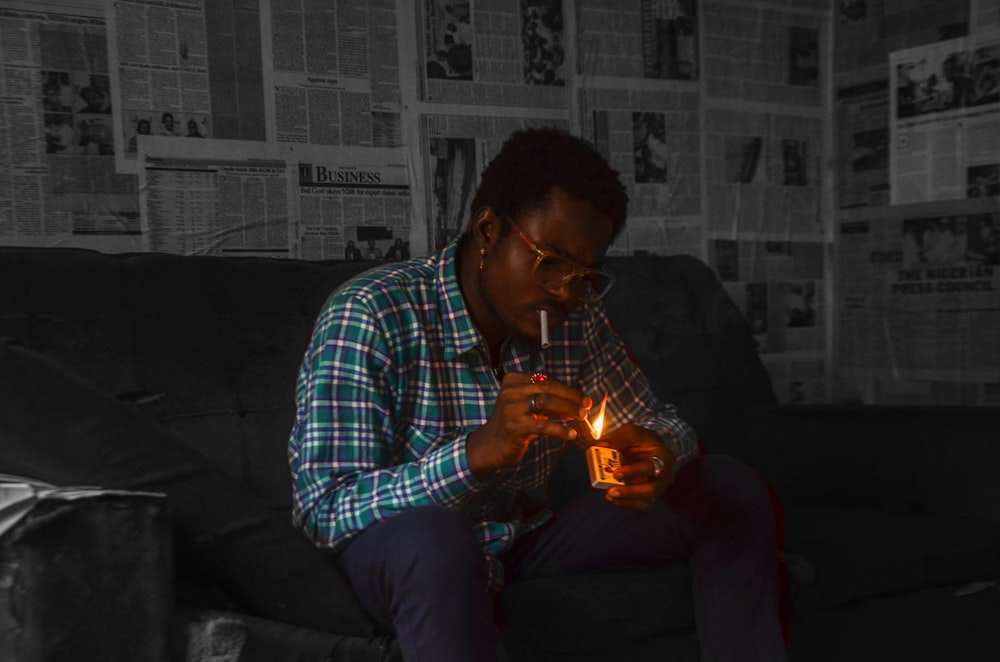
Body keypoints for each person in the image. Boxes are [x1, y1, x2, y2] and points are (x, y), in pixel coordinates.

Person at [289, 128, 787, 661]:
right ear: (486, 230)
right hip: (411, 555)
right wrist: (474, 455)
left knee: (727, 487)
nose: (563, 290)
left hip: (522, 541)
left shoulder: (574, 316)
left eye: (583, 274)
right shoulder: (370, 313)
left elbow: (658, 421)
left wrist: (655, 454)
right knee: (433, 540)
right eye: (549, 261)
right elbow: (325, 508)